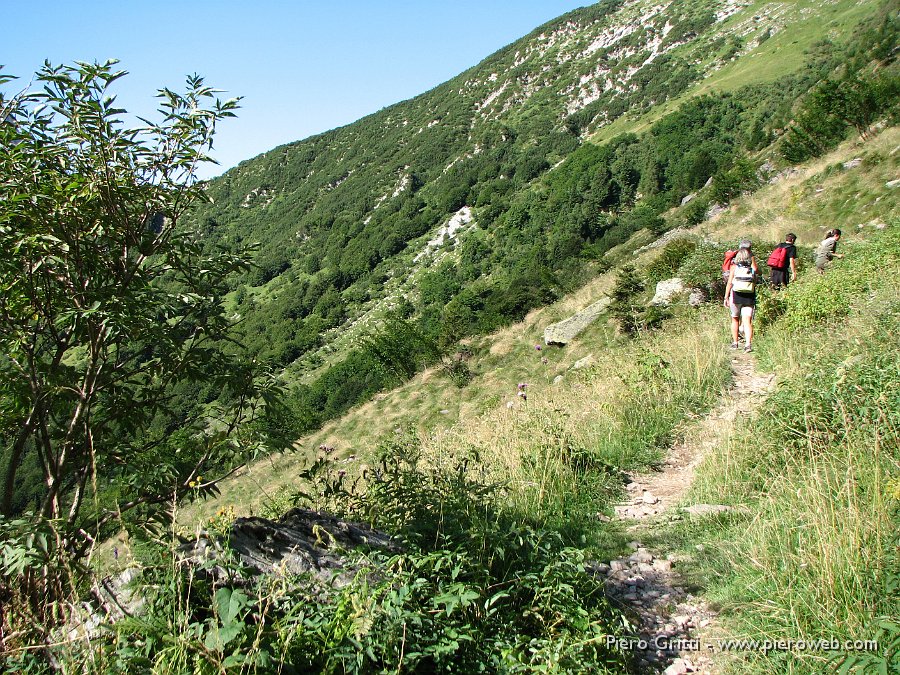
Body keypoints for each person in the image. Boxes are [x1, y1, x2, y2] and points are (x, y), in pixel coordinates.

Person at [724, 240, 758, 353]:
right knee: (747, 320)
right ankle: (748, 344)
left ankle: (735, 343)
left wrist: (726, 297)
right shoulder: (752, 268)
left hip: (736, 295)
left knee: (735, 319)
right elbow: (757, 278)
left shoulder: (734, 267)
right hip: (749, 295)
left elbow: (729, 283)